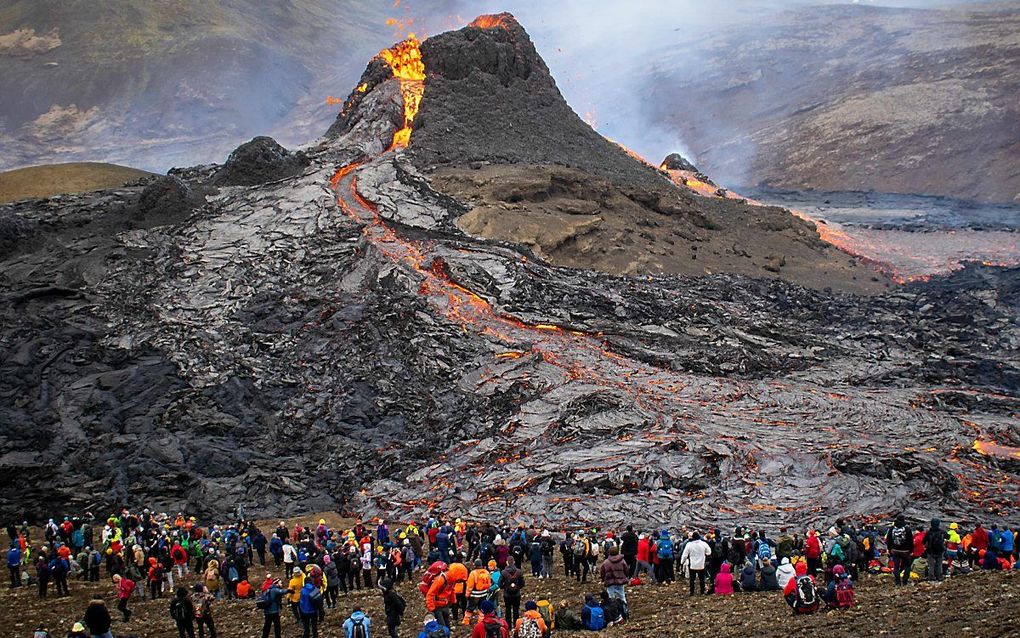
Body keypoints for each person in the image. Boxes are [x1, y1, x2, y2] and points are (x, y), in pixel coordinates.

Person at [680, 532, 712, 596]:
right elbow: (709, 552)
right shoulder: (704, 544)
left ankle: (692, 592)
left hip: (692, 565)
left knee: (692, 580)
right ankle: (702, 592)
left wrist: (682, 562)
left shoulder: (689, 544)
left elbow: (684, 555)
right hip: (701, 565)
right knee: (702, 579)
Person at [886, 516, 914, 586]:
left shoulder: (892, 529)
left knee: (896, 566)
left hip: (895, 550)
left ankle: (897, 582)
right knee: (907, 566)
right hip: (905, 551)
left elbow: (889, 540)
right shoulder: (907, 529)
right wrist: (911, 550)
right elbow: (911, 541)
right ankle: (905, 581)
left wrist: (889, 549)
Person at [500, 558, 525, 627]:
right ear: (514, 562)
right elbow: (522, 583)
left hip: (507, 595)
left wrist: (505, 587)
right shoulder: (519, 572)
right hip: (517, 594)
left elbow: (499, 584)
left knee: (507, 610)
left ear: (507, 562)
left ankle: (508, 626)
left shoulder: (503, 572)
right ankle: (516, 625)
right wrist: (518, 587)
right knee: (516, 610)